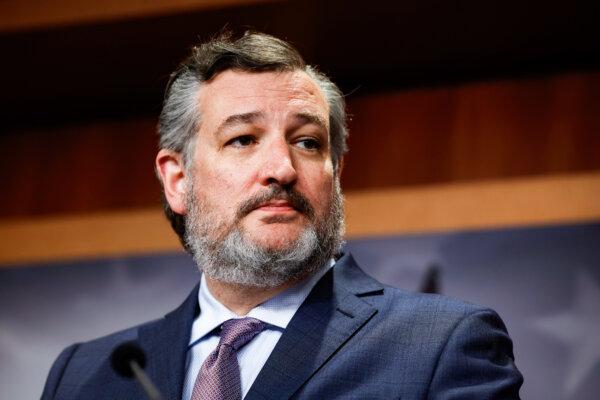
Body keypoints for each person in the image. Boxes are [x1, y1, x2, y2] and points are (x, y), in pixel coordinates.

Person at [42, 31, 523, 400]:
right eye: (243, 139)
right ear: (178, 180)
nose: (282, 169)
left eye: (308, 142)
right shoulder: (86, 373)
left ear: (335, 174)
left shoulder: (441, 346)